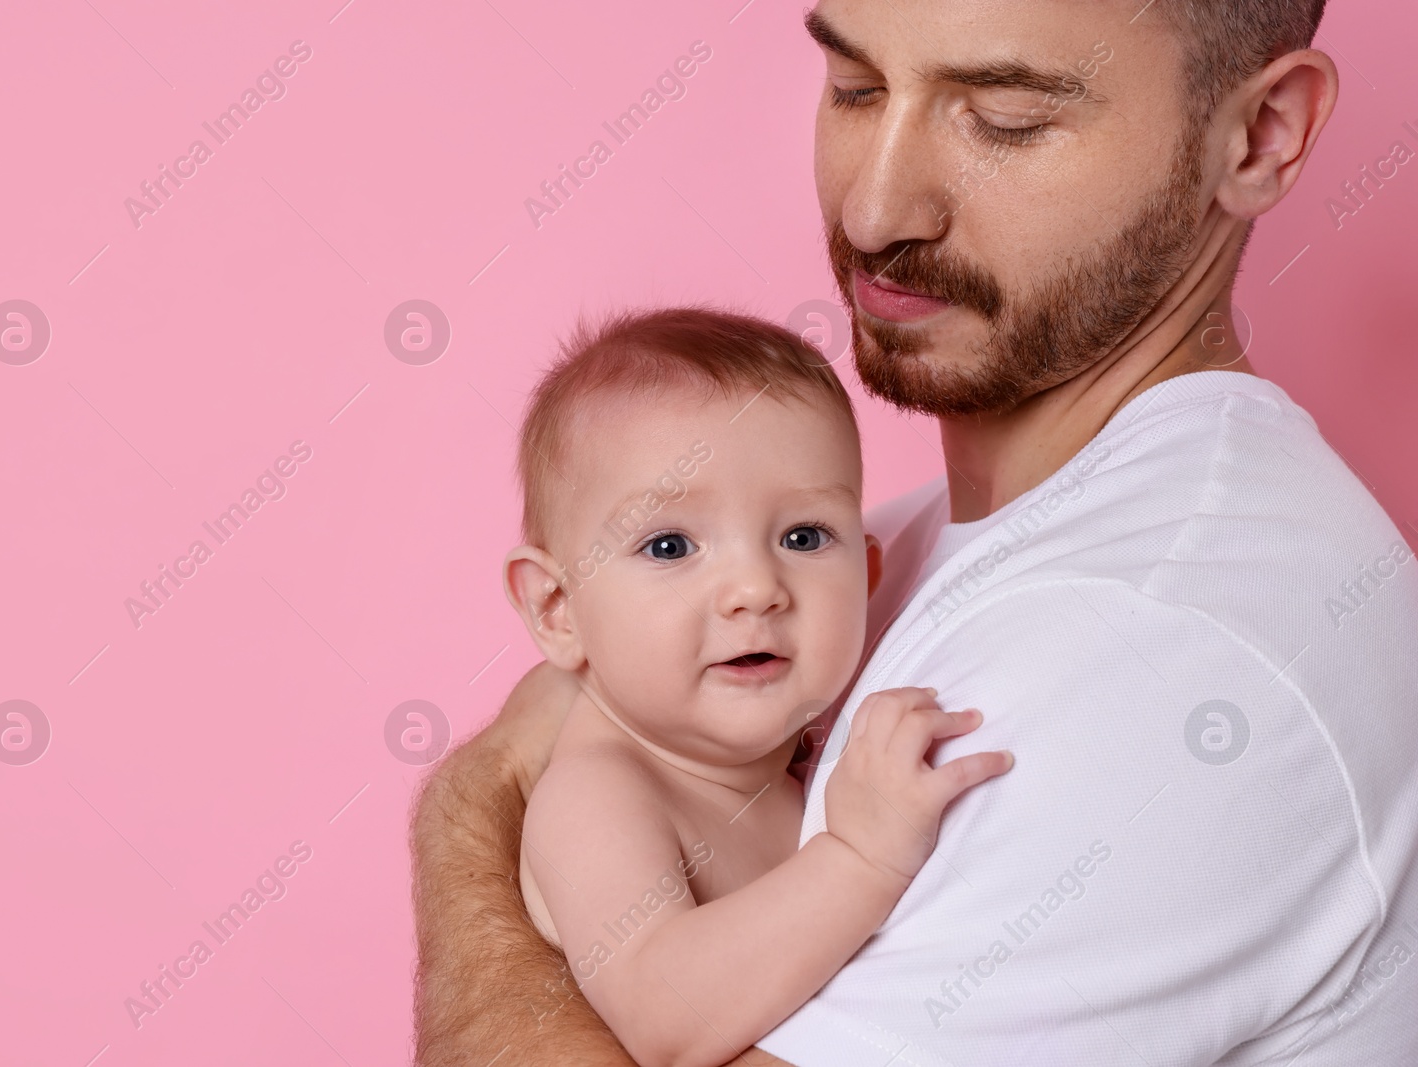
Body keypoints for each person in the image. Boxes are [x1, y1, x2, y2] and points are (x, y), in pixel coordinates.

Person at [410, 1, 1418, 1063]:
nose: (873, 210)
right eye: (853, 89)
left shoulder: (1168, 647)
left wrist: (467, 815)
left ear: (1259, 135)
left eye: (1003, 117)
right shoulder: (869, 567)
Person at [501, 306, 1013, 1067]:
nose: (754, 588)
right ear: (558, 608)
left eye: (804, 537)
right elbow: (663, 1016)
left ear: (867, 579)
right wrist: (859, 856)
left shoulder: (784, 758)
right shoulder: (599, 794)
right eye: (670, 544)